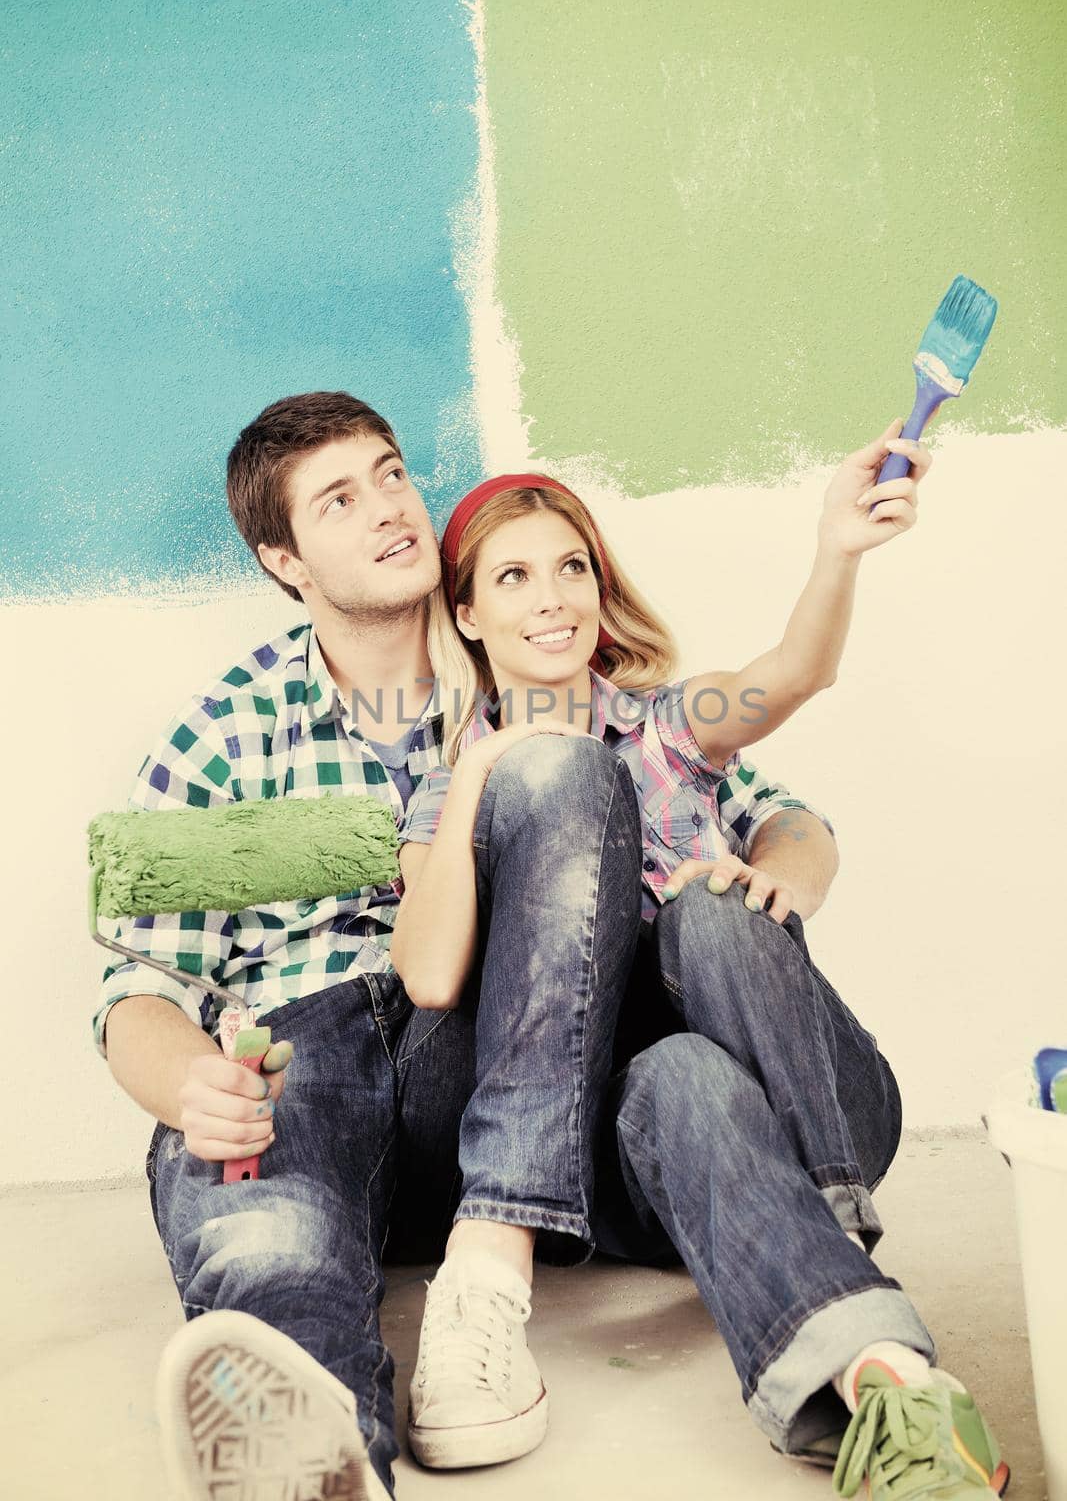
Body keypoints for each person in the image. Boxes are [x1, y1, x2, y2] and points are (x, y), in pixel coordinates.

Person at [94, 390, 809, 1499]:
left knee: (560, 768)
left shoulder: (534, 641)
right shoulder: (228, 729)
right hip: (307, 1055)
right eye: (340, 499)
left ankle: (491, 1264)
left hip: (503, 1052)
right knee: (264, 1230)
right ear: (284, 561)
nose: (389, 509)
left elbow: (758, 802)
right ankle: (313, 1451)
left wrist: (769, 889)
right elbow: (135, 988)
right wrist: (190, 1085)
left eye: (390, 472)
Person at [391, 439, 1010, 1500]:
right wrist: (476, 776)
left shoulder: (673, 728)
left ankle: (828, 1211)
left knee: (709, 915)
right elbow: (431, 979)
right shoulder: (446, 773)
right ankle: (887, 1389)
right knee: (672, 1072)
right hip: (646, 1146)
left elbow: (792, 677)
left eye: (571, 566)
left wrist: (835, 552)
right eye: (512, 575)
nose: (552, 599)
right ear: (464, 614)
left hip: (810, 1102)